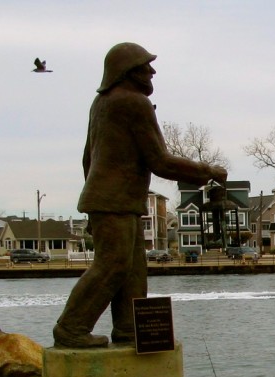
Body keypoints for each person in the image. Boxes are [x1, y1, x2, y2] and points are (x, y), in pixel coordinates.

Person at [53, 42, 227, 348]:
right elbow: (159, 160)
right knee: (113, 265)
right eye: (146, 67)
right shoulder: (133, 103)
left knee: (133, 270)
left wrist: (92, 200)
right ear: (129, 72)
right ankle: (71, 327)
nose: (152, 72)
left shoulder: (102, 103)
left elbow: (87, 158)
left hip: (113, 200)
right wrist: (208, 170)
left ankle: (129, 329)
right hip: (115, 200)